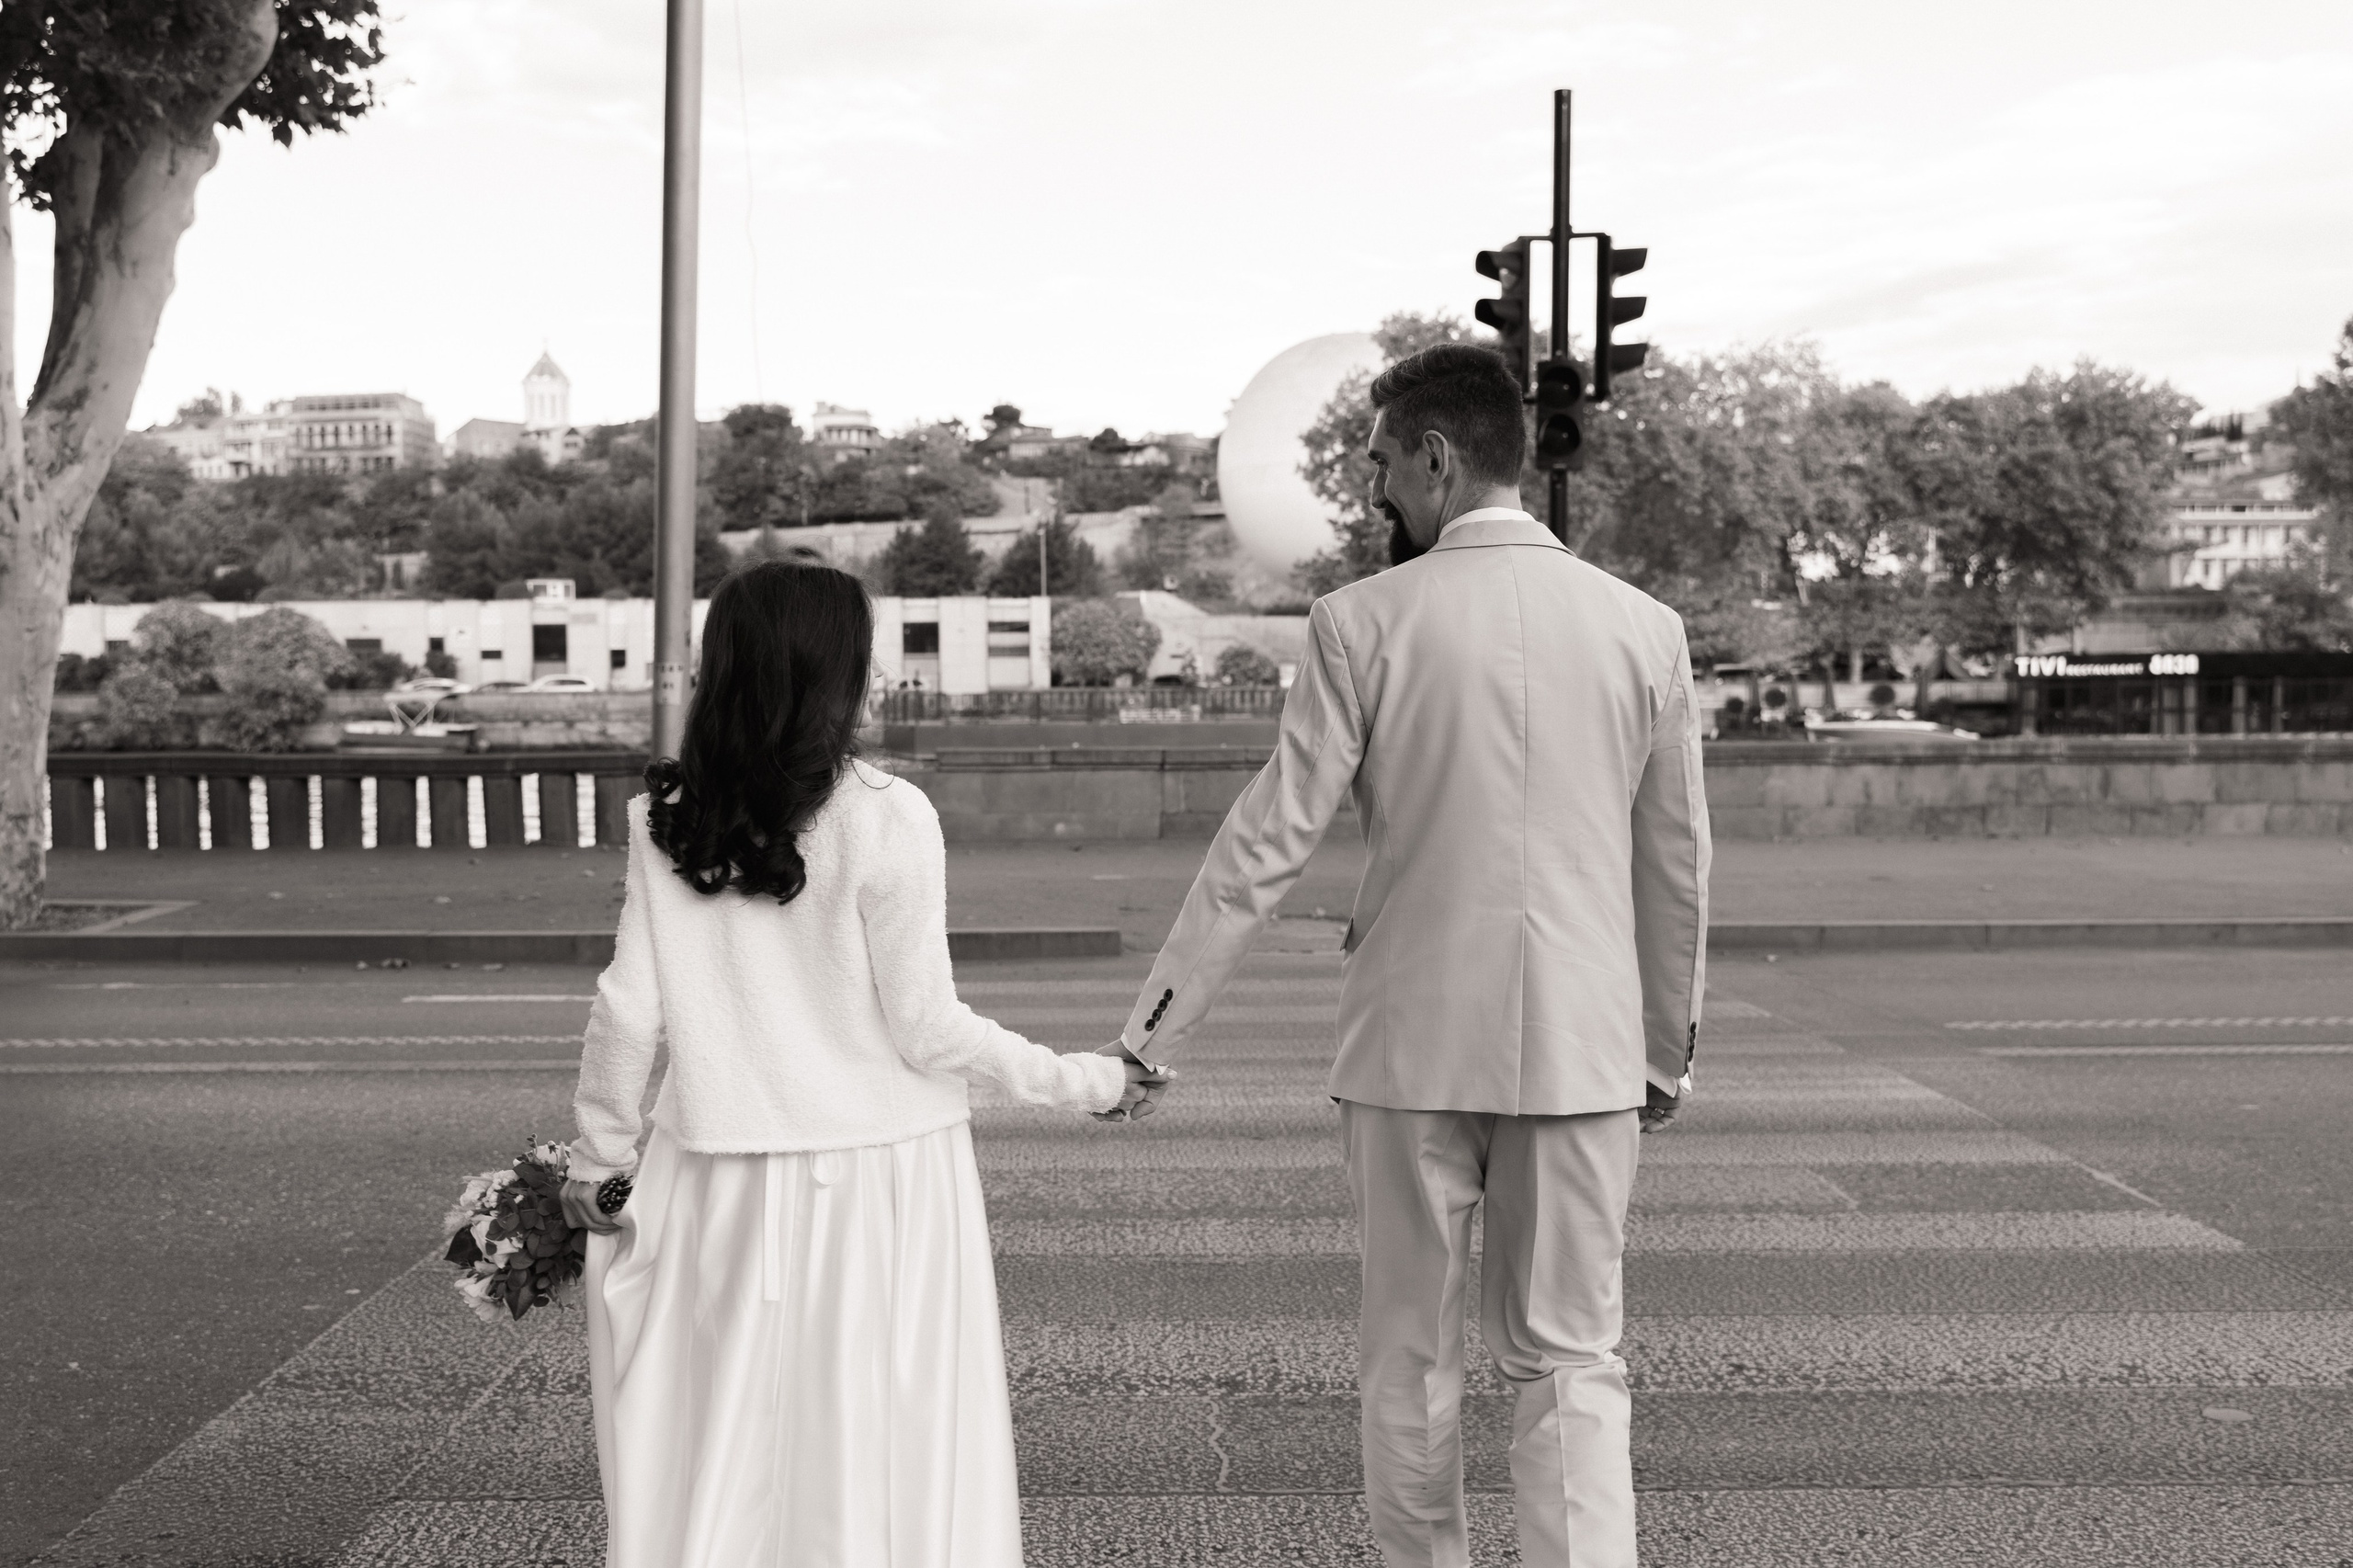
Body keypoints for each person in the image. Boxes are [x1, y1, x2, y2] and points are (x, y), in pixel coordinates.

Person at [1111, 343, 1710, 1568]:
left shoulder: (1359, 622)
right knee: (1571, 1360)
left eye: (1383, 463)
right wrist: (1664, 1048)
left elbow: (1265, 844)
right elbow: (1676, 864)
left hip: (1408, 1048)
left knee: (1411, 1360)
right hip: (1586, 1048)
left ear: (1438, 459)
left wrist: (1155, 1031)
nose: (1375, 488)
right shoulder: (1648, 631)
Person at [558, 560, 1170, 1568]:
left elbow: (628, 1009)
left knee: (724, 1439)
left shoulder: (665, 819)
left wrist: (597, 1158)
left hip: (715, 1168)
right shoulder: (889, 815)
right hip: (885, 1176)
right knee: (884, 1436)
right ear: (836, 673)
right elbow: (930, 1029)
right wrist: (1092, 1079)